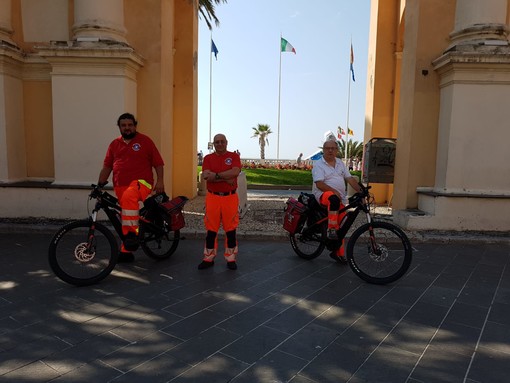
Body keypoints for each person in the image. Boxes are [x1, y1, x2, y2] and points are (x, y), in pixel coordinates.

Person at [97, 113, 165, 263]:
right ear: (119, 127)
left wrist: (160, 181)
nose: (127, 128)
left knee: (129, 198)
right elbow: (107, 166)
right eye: (123, 125)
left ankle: (131, 238)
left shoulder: (145, 141)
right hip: (120, 185)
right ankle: (126, 251)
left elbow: (158, 163)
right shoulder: (114, 144)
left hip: (142, 183)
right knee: (126, 215)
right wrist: (99, 185)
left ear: (135, 125)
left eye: (130, 125)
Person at [312, 138, 360, 262]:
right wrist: (334, 192)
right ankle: (331, 229)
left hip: (340, 200)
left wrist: (362, 191)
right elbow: (319, 184)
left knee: (343, 226)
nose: (330, 150)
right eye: (327, 148)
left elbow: (350, 179)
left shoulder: (340, 163)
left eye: (333, 148)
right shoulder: (319, 164)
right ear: (323, 150)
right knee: (333, 200)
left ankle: (337, 253)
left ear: (337, 150)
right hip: (323, 195)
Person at [198, 133, 241, 270]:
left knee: (230, 230)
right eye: (217, 142)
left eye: (222, 141)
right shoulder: (208, 158)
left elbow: (235, 172)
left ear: (226, 142)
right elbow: (206, 176)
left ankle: (231, 258)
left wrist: (215, 175)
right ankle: (208, 258)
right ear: (213, 144)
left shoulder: (234, 157)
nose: (220, 144)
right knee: (211, 229)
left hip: (230, 197)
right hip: (213, 197)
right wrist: (225, 178)